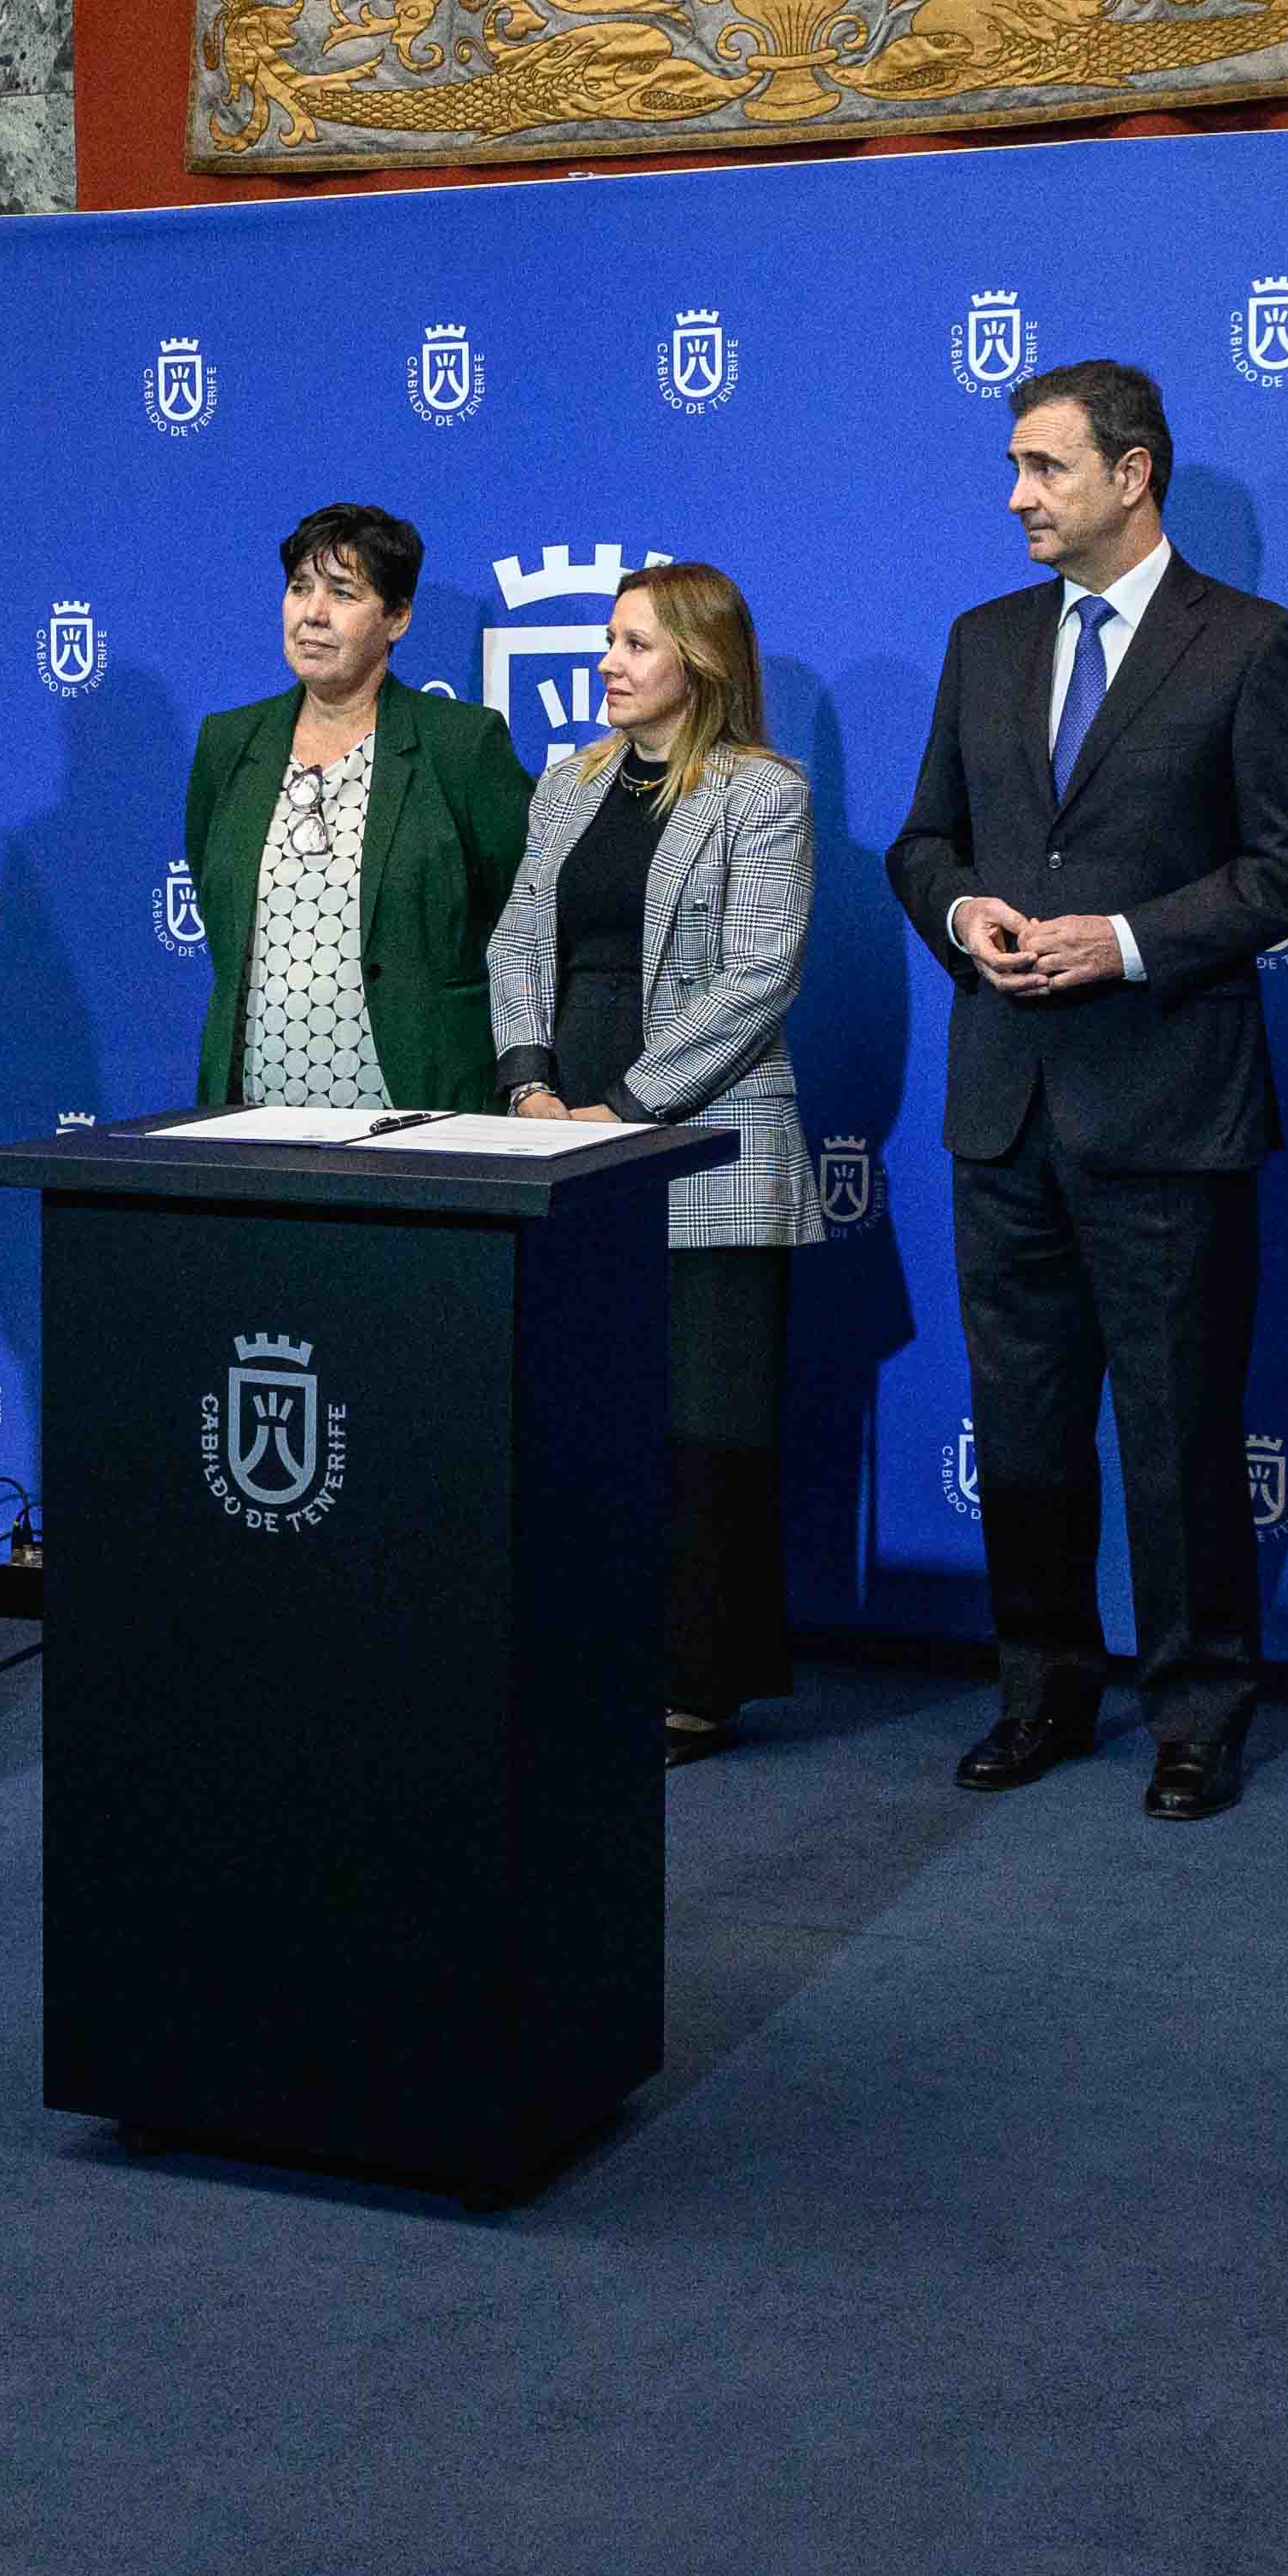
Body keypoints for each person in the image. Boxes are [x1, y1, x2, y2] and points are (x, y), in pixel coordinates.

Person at [881, 355, 1288, 1823]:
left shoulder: (1250, 644)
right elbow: (923, 841)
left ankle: (1196, 1710)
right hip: (1003, 1102)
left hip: (1168, 1105)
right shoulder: (982, 639)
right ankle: (1040, 1688)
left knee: (1176, 1428)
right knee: (1019, 1422)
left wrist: (1129, 940)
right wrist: (965, 915)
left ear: (1132, 473)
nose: (1016, 494)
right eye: (1013, 467)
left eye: (1043, 466)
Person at [486, 558, 820, 1751]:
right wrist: (528, 1079)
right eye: (609, 642)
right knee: (585, 1420)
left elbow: (754, 980)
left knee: (707, 1432)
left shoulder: (759, 794)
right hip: (560, 1134)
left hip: (706, 1140)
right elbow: (521, 933)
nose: (609, 664)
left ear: (703, 662)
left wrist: (625, 1106)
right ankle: (590, 1655)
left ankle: (694, 1680)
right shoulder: (566, 783)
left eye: (636, 644)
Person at [181, 500, 525, 1113]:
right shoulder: (229, 743)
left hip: (421, 1106)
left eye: (342, 593)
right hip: (255, 1113)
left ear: (396, 618)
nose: (312, 613)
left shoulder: (461, 745)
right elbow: (219, 906)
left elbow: (526, 921)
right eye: (299, 588)